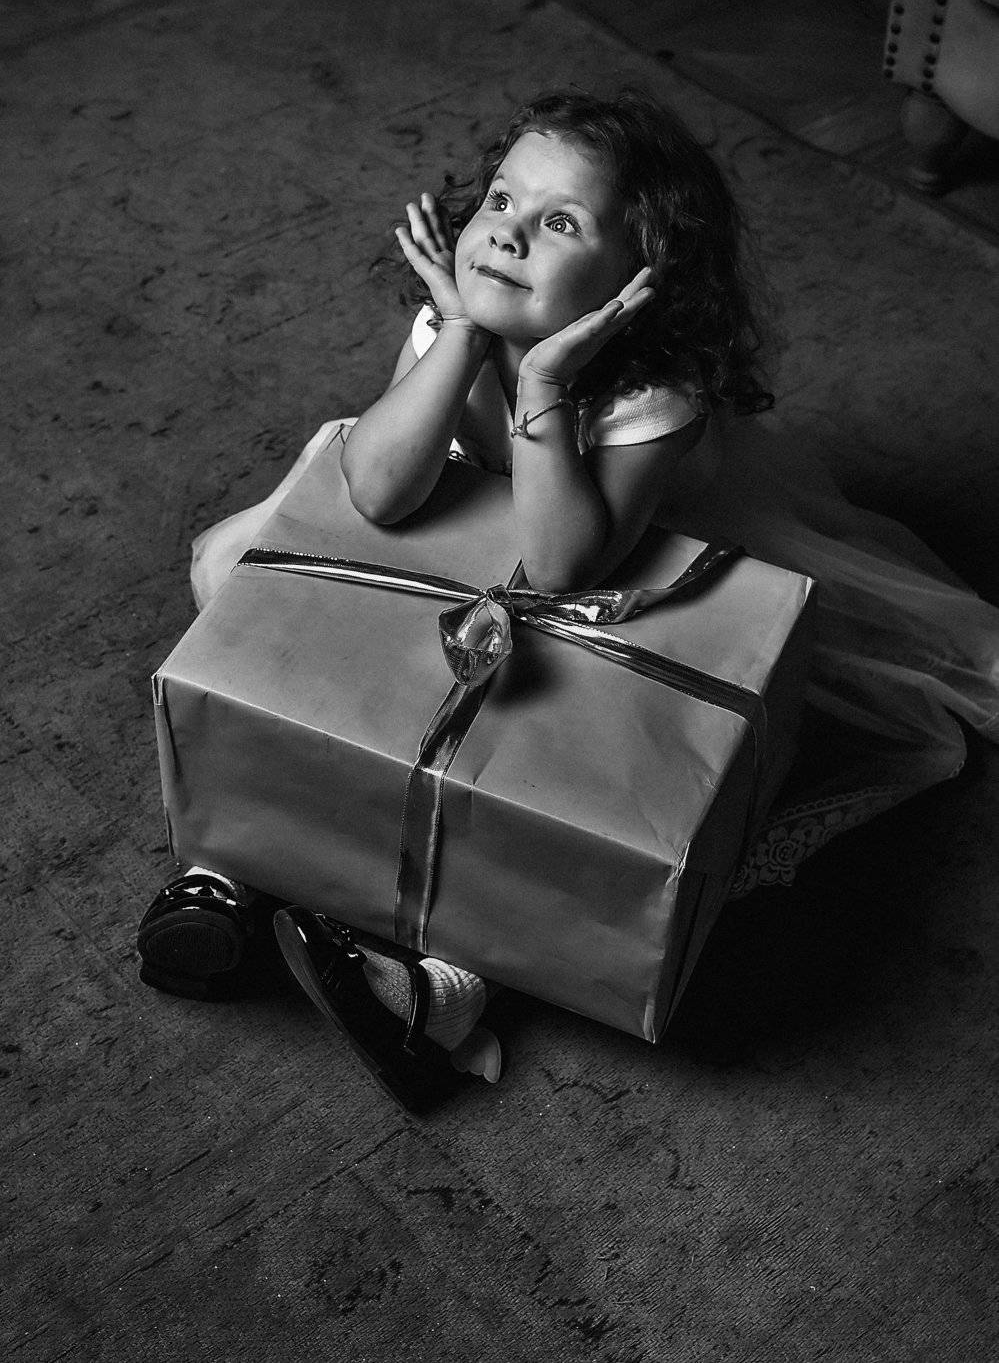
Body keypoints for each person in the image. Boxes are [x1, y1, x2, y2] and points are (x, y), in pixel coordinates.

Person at [137, 88, 999, 1111]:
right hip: (454, 540)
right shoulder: (450, 323)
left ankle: (444, 986)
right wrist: (460, 334)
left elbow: (559, 565)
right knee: (285, 626)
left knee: (548, 753)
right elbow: (380, 491)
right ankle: (235, 871)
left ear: (640, 280)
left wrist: (543, 383)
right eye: (502, 200)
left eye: (559, 223)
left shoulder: (653, 395)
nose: (506, 231)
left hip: (599, 572)